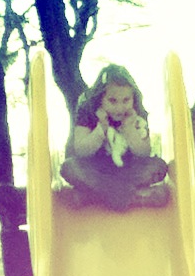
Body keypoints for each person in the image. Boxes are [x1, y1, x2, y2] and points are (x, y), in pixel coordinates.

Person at [60, 65, 169, 210]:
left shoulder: (136, 112)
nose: (120, 107)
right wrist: (101, 129)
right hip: (96, 170)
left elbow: (143, 152)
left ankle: (92, 197)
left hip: (128, 171)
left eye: (126, 100)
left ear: (133, 98)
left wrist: (129, 129)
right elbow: (81, 150)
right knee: (69, 168)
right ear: (100, 99)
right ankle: (135, 197)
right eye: (112, 100)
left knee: (158, 166)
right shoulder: (88, 111)